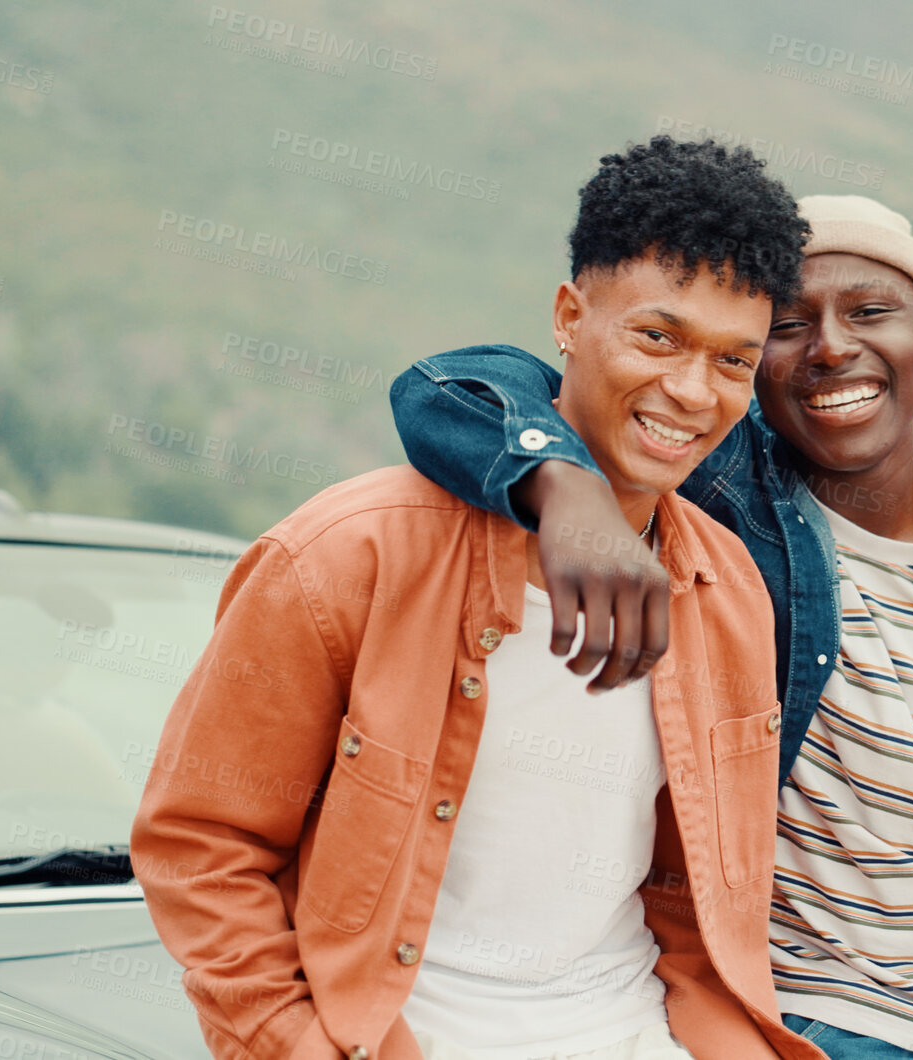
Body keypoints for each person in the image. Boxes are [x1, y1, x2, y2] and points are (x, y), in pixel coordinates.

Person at [390, 194, 913, 1059]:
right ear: (751, 365)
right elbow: (449, 384)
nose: (830, 347)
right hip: (796, 1016)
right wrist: (565, 488)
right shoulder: (720, 486)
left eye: (869, 313)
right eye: (787, 326)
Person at [132, 137, 827, 1060]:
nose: (690, 391)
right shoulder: (351, 552)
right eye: (656, 337)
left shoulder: (727, 588)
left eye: (732, 362)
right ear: (569, 316)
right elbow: (201, 846)